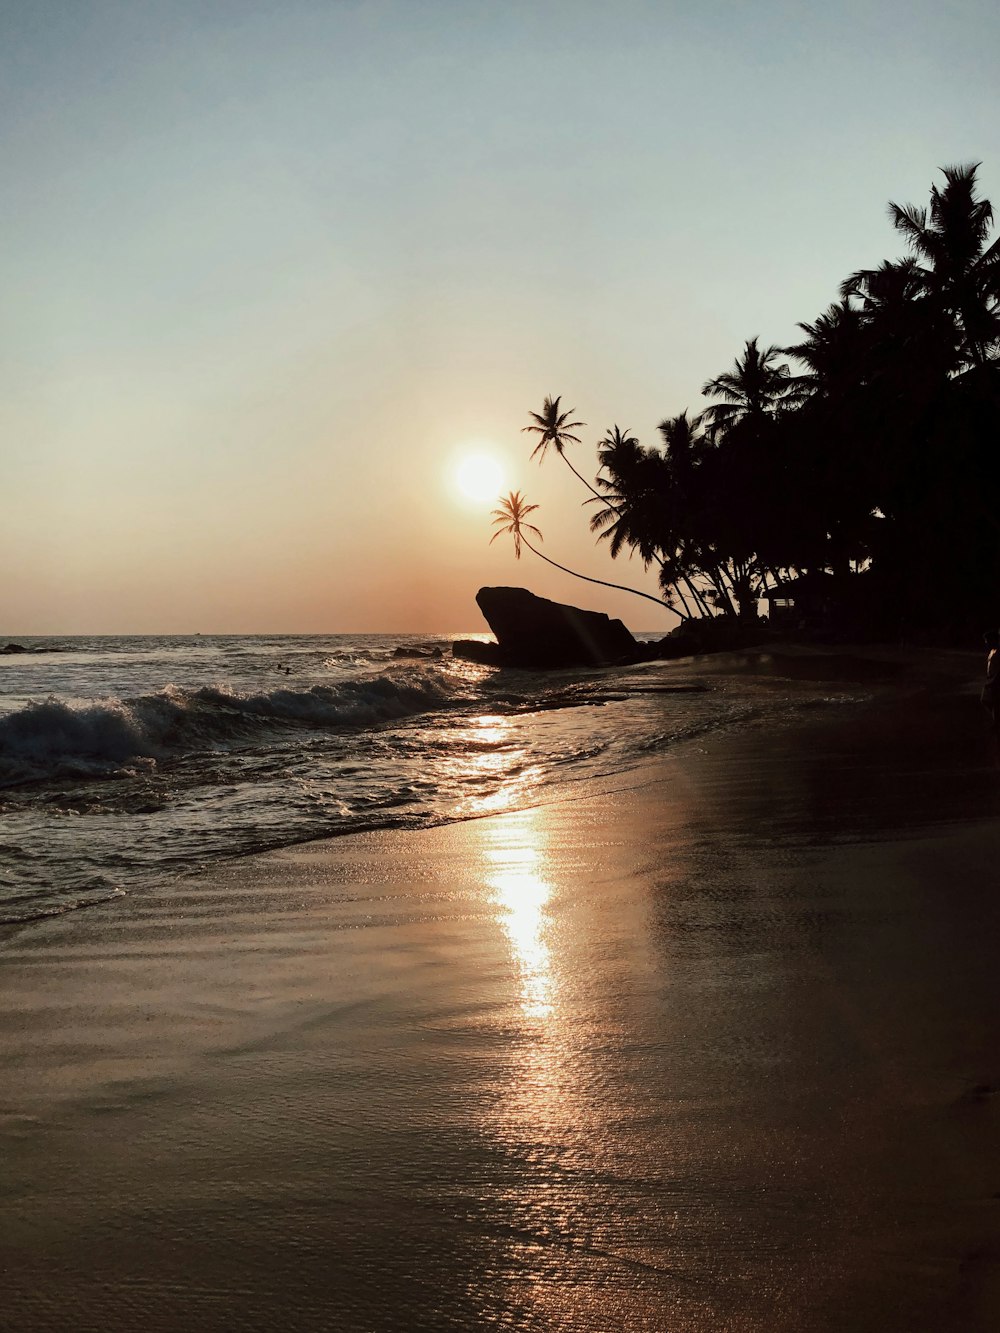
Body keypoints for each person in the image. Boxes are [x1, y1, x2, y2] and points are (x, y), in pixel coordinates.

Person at [981, 630, 1000, 731]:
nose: (986, 643)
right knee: (987, 700)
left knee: (994, 702)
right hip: (991, 679)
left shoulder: (998, 652)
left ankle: (996, 723)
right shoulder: (993, 651)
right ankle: (996, 722)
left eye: (987, 641)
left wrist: (994, 680)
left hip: (996, 680)